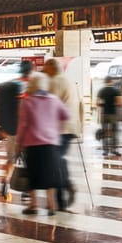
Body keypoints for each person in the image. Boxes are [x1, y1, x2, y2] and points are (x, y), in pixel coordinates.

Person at [17, 72, 70, 216]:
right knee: (50, 175)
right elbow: (66, 115)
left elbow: (22, 125)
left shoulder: (27, 102)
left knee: (33, 174)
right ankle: (51, 205)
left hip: (32, 144)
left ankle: (33, 205)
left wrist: (18, 143)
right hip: (52, 144)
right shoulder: (54, 100)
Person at [44, 59, 80, 208]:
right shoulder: (68, 81)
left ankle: (63, 190)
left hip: (60, 129)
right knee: (59, 160)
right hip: (70, 127)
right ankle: (63, 192)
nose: (44, 71)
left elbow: (51, 106)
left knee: (55, 162)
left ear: (52, 68)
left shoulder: (55, 81)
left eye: (46, 68)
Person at [0, 61, 32, 196]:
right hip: (27, 131)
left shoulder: (9, 85)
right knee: (28, 159)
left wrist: (2, 127)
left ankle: (5, 180)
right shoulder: (31, 86)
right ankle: (26, 188)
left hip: (12, 130)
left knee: (11, 159)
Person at [96, 77, 122, 157]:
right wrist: (114, 103)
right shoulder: (116, 91)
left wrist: (104, 105)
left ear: (105, 82)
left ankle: (105, 151)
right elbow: (120, 103)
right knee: (114, 132)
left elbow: (97, 103)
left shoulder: (101, 91)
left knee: (104, 132)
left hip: (104, 114)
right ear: (112, 81)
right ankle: (114, 150)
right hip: (113, 114)